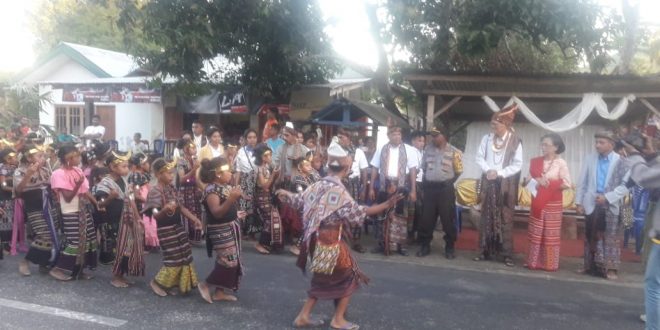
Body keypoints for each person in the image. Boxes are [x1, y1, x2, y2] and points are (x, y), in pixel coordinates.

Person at [276, 142, 402, 330]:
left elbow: (298, 200)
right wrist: (386, 205)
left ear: (329, 167)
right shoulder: (339, 191)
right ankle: (338, 319)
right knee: (349, 275)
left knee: (321, 278)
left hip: (315, 240)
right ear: (347, 168)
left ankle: (303, 316)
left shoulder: (317, 185)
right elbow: (358, 212)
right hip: (330, 240)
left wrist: (286, 193)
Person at [143, 158, 203, 297]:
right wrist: (164, 210)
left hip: (178, 226)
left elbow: (180, 207)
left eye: (172, 173)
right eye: (168, 173)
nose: (171, 176)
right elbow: (155, 214)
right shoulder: (155, 191)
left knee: (185, 254)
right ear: (159, 175)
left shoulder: (171, 188)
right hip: (166, 230)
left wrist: (194, 219)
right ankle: (156, 283)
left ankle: (171, 284)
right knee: (173, 258)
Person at [576, 130, 630, 280]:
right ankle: (589, 265)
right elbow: (582, 181)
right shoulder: (589, 158)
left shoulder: (622, 161)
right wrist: (578, 202)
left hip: (611, 203)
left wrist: (607, 197)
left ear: (611, 145)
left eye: (601, 142)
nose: (597, 145)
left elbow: (627, 186)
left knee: (610, 237)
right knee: (590, 235)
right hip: (591, 202)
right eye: (596, 142)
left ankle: (611, 268)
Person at [474, 104, 523, 267]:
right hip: (488, 181)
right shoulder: (486, 139)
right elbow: (479, 157)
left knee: (505, 218)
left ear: (506, 124)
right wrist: (489, 170)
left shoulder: (515, 141)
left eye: (496, 123)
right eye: (492, 122)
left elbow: (517, 164)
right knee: (486, 216)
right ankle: (484, 251)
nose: (492, 125)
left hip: (506, 184)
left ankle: (507, 254)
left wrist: (500, 173)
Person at [621, 133, 659, 330]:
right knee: (630, 227)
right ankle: (630, 243)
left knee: (654, 283)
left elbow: (642, 178)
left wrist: (635, 156)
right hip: (629, 201)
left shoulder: (627, 160)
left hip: (644, 203)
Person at [48, 145, 99, 281]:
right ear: (68, 158)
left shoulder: (77, 170)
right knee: (75, 242)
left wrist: (96, 203)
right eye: (76, 156)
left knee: (87, 240)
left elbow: (85, 191)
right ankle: (57, 268)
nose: (79, 158)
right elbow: (68, 197)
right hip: (70, 210)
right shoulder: (58, 174)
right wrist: (77, 185)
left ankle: (79, 270)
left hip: (83, 208)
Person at [198, 157, 244, 304]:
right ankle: (205, 285)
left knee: (225, 260)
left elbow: (227, 207)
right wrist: (231, 199)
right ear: (218, 173)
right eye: (228, 171)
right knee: (229, 261)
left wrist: (236, 212)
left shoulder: (223, 187)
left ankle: (219, 292)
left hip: (228, 227)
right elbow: (216, 212)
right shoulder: (211, 190)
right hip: (219, 230)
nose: (231, 173)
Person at [96, 150, 146, 288]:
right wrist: (111, 197)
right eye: (124, 166)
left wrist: (137, 218)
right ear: (112, 167)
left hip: (126, 220)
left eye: (127, 166)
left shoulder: (124, 181)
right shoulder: (105, 183)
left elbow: (130, 200)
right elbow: (100, 203)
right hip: (113, 221)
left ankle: (121, 275)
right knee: (117, 249)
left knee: (127, 248)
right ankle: (115, 277)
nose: (127, 169)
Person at [369, 123, 418, 256]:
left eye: (399, 134)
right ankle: (381, 244)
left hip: (400, 186)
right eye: (394, 134)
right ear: (389, 136)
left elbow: (413, 170)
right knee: (382, 215)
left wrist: (413, 190)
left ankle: (400, 245)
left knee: (400, 216)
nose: (397, 137)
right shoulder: (382, 149)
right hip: (384, 186)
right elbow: (374, 168)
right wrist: (372, 187)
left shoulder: (409, 149)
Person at [525, 133, 572, 271]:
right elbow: (526, 181)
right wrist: (536, 181)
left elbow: (567, 184)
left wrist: (549, 184)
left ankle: (549, 263)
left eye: (546, 145)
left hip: (553, 203)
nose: (543, 147)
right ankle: (533, 262)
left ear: (556, 147)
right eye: (542, 144)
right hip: (538, 201)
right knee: (536, 231)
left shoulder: (561, 163)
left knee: (550, 233)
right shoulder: (535, 162)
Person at [417, 126, 463, 259]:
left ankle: (449, 247)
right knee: (427, 218)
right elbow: (424, 169)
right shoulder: (427, 150)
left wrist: (447, 182)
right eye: (432, 135)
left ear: (444, 136)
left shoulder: (455, 152)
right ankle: (425, 245)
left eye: (436, 135)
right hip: (430, 189)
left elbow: (459, 171)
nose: (433, 138)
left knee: (448, 219)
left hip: (445, 190)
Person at [14, 144, 59, 276]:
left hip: (49, 205)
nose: (43, 158)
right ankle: (25, 261)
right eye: (39, 156)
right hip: (34, 206)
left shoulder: (45, 170)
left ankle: (43, 264)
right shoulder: (20, 171)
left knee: (52, 233)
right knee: (44, 234)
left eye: (43, 156)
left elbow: (52, 187)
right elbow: (18, 191)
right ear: (29, 158)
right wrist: (28, 175)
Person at [336, 128, 369, 253]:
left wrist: (364, 188)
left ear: (349, 139)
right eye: (338, 137)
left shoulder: (359, 152)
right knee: (339, 212)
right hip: (340, 183)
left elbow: (364, 170)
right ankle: (341, 241)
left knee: (355, 212)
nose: (339, 140)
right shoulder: (336, 151)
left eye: (342, 137)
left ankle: (355, 241)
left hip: (354, 184)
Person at [254, 144, 283, 254]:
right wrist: (273, 175)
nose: (269, 157)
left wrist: (276, 174)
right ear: (260, 156)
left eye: (270, 154)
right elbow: (264, 185)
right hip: (261, 197)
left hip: (268, 196)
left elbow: (272, 183)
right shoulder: (258, 168)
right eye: (266, 155)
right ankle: (260, 243)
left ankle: (267, 243)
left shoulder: (266, 167)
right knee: (268, 219)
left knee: (271, 219)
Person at [128, 153, 159, 250]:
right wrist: (149, 201)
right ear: (141, 165)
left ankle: (148, 244)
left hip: (146, 204)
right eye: (146, 163)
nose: (148, 165)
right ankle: (143, 246)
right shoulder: (136, 176)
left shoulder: (142, 175)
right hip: (141, 205)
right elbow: (136, 195)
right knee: (143, 224)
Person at [235, 129, 260, 239]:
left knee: (255, 206)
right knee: (243, 206)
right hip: (245, 181)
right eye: (249, 137)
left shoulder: (260, 151)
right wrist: (236, 186)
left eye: (254, 137)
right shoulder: (241, 151)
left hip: (257, 181)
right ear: (245, 139)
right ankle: (242, 230)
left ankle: (252, 232)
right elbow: (238, 170)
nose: (252, 140)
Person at [176, 140, 203, 244]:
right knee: (187, 211)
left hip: (194, 189)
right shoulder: (181, 161)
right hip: (185, 190)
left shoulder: (194, 160)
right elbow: (182, 179)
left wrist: (203, 189)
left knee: (197, 210)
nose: (194, 149)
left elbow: (196, 179)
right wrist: (194, 169)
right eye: (191, 147)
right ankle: (186, 236)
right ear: (185, 149)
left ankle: (195, 236)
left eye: (194, 147)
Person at [0, 148, 18, 256]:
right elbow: (2, 185)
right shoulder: (2, 167)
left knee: (10, 222)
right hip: (4, 198)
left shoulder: (14, 167)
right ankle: (5, 245)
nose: (15, 158)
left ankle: (8, 244)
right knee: (5, 222)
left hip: (11, 197)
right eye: (13, 156)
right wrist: (16, 190)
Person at [409, 131, 425, 244]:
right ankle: (410, 234)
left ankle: (417, 234)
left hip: (422, 183)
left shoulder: (422, 153)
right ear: (413, 141)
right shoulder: (410, 152)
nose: (422, 143)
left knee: (420, 211)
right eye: (419, 141)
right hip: (413, 183)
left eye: (423, 141)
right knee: (413, 210)